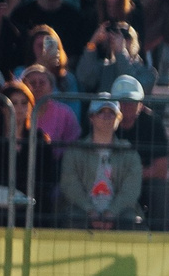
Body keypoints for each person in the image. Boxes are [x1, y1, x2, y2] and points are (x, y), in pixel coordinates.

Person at [54, 90, 143, 227]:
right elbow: (70, 185)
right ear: (91, 118)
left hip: (119, 211)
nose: (107, 117)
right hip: (82, 209)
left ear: (118, 119)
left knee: (131, 221)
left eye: (112, 113)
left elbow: (131, 190)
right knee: (73, 218)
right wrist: (90, 211)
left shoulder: (130, 153)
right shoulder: (74, 151)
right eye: (101, 112)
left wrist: (112, 213)